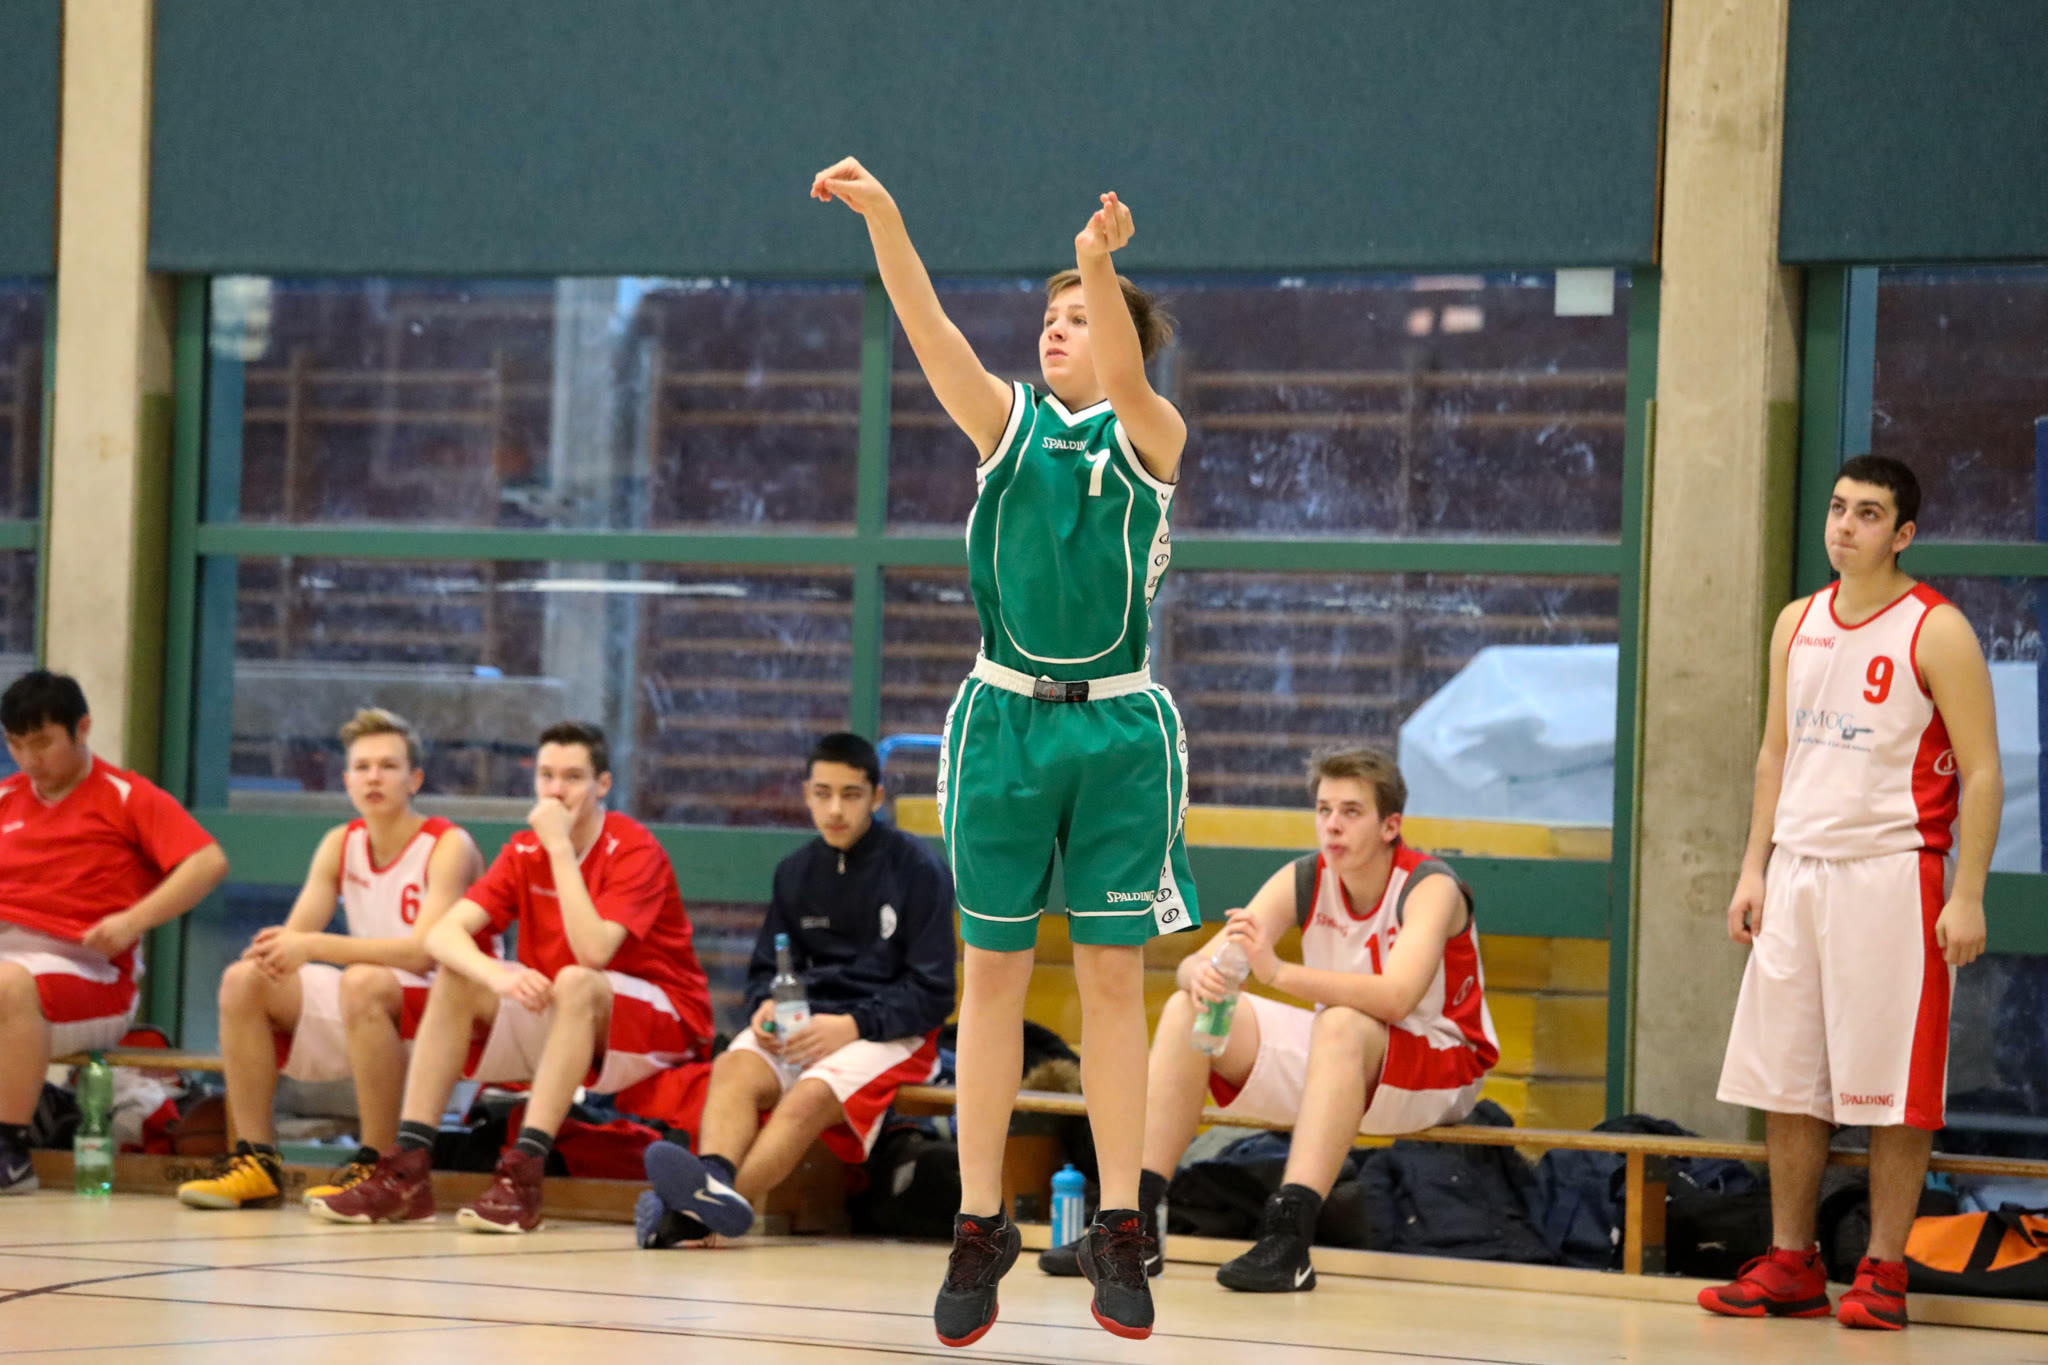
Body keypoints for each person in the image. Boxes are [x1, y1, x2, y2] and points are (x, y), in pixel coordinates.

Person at [814, 158, 1197, 1345]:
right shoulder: (1005, 423)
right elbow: (927, 328)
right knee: (990, 973)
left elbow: (1125, 373)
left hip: (1118, 727)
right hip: (1003, 721)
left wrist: (1096, 266)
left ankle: (1119, 1219)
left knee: (1112, 975)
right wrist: (887, 217)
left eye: (1078, 316)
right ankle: (980, 1220)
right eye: (1048, 317)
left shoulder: (1152, 432)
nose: (1055, 329)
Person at [1704, 455, 2001, 1332]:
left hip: (1893, 875)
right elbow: (1775, 753)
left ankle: (1884, 1267)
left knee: (1890, 1085)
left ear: (1903, 533)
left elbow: (1984, 771)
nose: (1844, 525)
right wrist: (1754, 866)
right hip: (1798, 871)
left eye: (1868, 513)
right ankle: (1791, 1260)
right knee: (1789, 1077)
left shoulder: (1936, 628)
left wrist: (1969, 892)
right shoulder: (1795, 621)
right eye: (1838, 508)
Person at [1040, 747, 1496, 1290]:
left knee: (1342, 1023)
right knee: (1190, 1010)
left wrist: (1275, 972)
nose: (1332, 824)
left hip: (1442, 1064)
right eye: (1324, 809)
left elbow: (1397, 999)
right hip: (1345, 1059)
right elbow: (1196, 963)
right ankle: (1131, 1230)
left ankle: (1289, 1240)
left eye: (1351, 811)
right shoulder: (1305, 876)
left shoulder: (1430, 886)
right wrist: (1201, 976)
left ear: (1390, 826)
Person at [309, 722, 713, 1233]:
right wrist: (496, 977)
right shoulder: (524, 849)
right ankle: (407, 1169)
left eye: (572, 778)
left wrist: (560, 849)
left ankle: (523, 1176)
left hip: (666, 1023)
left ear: (602, 785)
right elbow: (442, 936)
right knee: (458, 978)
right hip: (571, 1012)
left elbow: (593, 952)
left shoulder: (633, 847)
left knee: (576, 979)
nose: (556, 791)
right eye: (546, 776)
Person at [635, 731, 957, 1247]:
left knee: (808, 1097)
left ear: (876, 797)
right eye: (822, 794)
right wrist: (763, 1008)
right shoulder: (794, 872)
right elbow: (765, 970)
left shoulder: (920, 871)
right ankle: (712, 1183)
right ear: (806, 794)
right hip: (805, 1024)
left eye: (850, 794)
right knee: (734, 1067)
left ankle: (694, 1216)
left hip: (892, 1035)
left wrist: (852, 1025)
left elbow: (934, 993)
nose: (835, 809)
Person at [175, 709, 483, 1210]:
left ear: (415, 779)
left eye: (388, 766)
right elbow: (294, 940)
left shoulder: (449, 845)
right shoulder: (341, 843)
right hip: (376, 999)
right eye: (362, 767)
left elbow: (422, 955)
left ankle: (380, 1165)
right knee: (244, 981)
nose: (374, 777)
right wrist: (268, 952)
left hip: (456, 1004)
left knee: (362, 981)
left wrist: (313, 946)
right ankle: (256, 1162)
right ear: (346, 781)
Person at [0, 671, 229, 1194]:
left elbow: (207, 862)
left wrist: (133, 921)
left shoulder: (127, 797)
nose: (30, 759)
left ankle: (9, 1152)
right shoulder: (5, 798)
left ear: (82, 728)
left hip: (89, 973)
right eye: (16, 745)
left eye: (42, 743)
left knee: (9, 984)